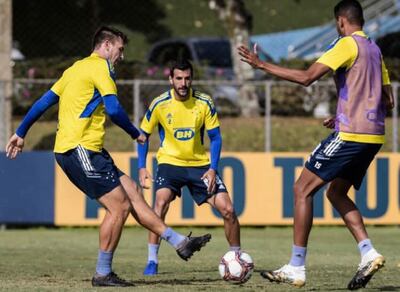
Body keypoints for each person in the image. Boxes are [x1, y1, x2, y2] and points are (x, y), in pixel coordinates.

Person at [5, 26, 211, 287]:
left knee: (133, 192)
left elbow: (44, 101)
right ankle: (103, 273)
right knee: (119, 206)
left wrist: (21, 131)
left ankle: (179, 242)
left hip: (87, 149)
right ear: (105, 46)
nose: (121, 56)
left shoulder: (75, 68)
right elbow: (113, 109)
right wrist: (135, 132)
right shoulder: (101, 68)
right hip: (79, 149)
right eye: (120, 49)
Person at [238, 0, 394, 290]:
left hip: (352, 135)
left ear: (340, 22)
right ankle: (368, 253)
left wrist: (262, 65)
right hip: (374, 136)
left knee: (301, 189)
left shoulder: (346, 44)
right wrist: (344, 112)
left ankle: (296, 267)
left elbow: (307, 77)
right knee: (336, 193)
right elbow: (389, 101)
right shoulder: (375, 50)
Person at [138, 59, 241, 276]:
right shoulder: (159, 103)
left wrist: (213, 168)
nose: (183, 83)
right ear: (170, 79)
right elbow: (143, 136)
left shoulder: (204, 102)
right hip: (169, 163)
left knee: (228, 210)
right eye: (178, 78)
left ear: (191, 79)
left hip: (200, 166)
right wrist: (141, 166)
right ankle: (152, 260)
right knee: (160, 203)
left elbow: (215, 138)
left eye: (187, 78)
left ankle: (236, 258)